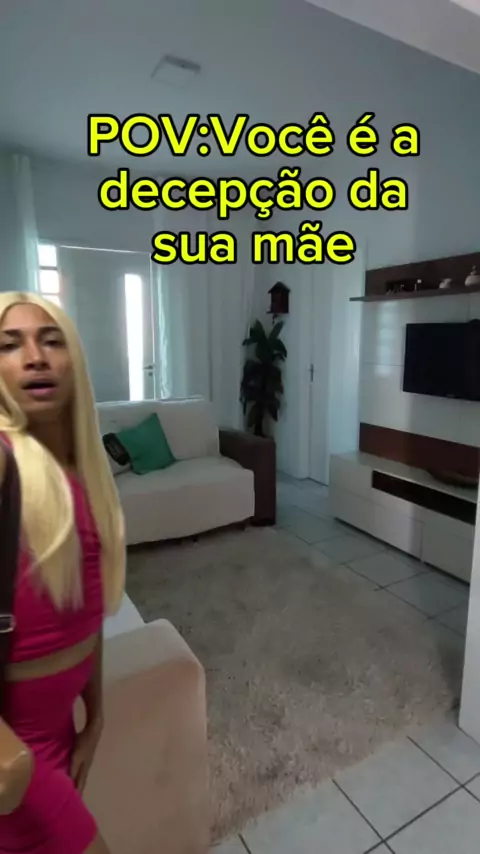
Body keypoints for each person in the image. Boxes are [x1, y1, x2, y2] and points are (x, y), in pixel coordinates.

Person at [0, 291, 125, 854]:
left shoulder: (81, 472)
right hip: (15, 747)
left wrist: (96, 716)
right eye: (10, 345)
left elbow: (87, 614)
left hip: (60, 733)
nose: (35, 357)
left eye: (51, 341)